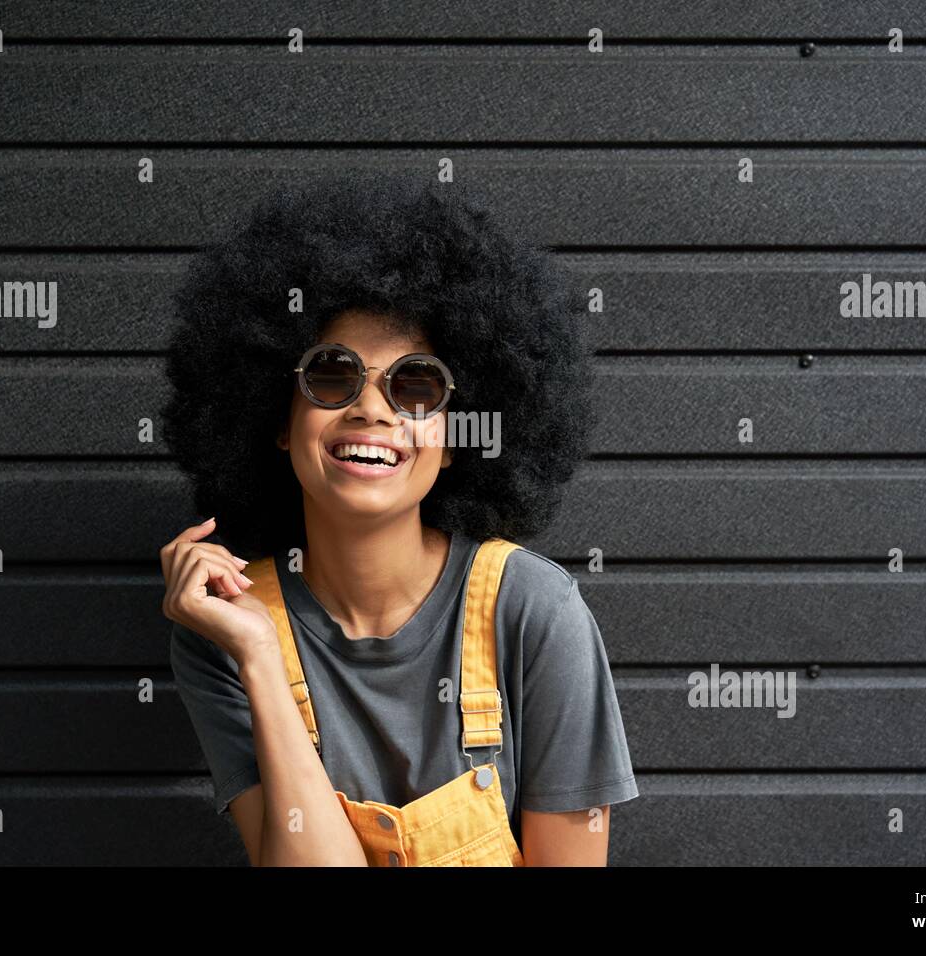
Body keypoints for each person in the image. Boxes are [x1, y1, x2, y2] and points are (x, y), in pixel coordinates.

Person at [158, 170, 637, 866]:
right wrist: (259, 658)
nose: (373, 410)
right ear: (278, 421)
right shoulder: (226, 630)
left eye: (416, 385)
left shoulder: (534, 611)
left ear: (452, 444)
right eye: (332, 375)